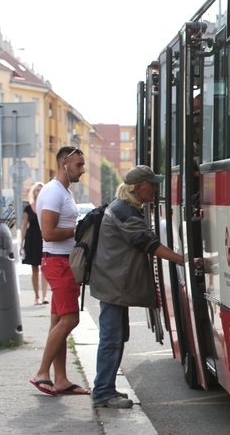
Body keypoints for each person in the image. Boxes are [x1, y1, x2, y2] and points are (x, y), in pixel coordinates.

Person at [89, 165, 187, 409]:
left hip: (112, 284)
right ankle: (102, 392)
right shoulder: (124, 212)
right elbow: (149, 244)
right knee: (111, 338)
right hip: (112, 286)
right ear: (136, 187)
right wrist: (185, 260)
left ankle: (106, 388)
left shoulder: (123, 207)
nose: (154, 188)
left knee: (116, 337)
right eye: (150, 183)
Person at [29, 146, 89, 397]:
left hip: (64, 261)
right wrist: (79, 230)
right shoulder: (54, 191)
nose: (82, 170)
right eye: (78, 165)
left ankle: (61, 379)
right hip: (58, 262)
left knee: (58, 321)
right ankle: (42, 373)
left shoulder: (63, 191)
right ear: (65, 163)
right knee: (70, 319)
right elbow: (48, 233)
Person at [21, 182, 47, 305]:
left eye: (41, 190)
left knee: (45, 268)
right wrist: (22, 242)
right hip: (32, 239)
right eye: (37, 190)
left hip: (43, 239)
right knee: (34, 269)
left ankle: (45, 296)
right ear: (33, 192)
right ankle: (37, 296)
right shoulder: (28, 208)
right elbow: (24, 225)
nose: (39, 192)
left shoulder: (47, 206)